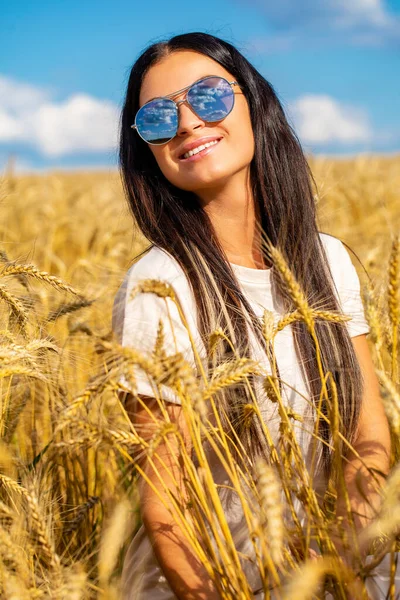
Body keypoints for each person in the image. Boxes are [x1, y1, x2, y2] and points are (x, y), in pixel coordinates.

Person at [112, 31, 397, 599]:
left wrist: (341, 551)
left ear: (255, 103)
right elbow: (164, 495)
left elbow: (369, 437)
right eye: (158, 118)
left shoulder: (328, 260)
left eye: (210, 96)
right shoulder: (162, 284)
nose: (188, 123)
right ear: (147, 149)